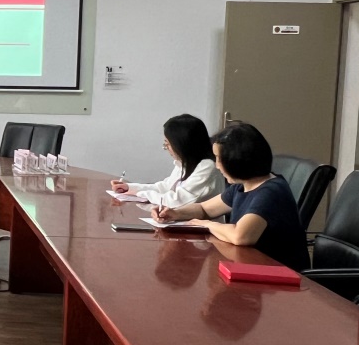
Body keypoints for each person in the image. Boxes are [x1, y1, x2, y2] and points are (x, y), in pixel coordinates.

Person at [152, 122, 309, 272]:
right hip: (253, 266)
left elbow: (240, 236)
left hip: (280, 275)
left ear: (237, 160)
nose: (217, 165)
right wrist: (175, 213)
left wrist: (206, 225)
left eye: (219, 159)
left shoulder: (270, 192)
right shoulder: (242, 186)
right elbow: (204, 209)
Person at [109, 114, 222, 207]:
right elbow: (165, 187)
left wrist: (139, 194)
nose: (166, 148)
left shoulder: (207, 167)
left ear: (182, 144)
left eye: (168, 144)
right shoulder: (185, 163)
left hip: (200, 226)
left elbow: (177, 201)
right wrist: (130, 188)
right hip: (178, 222)